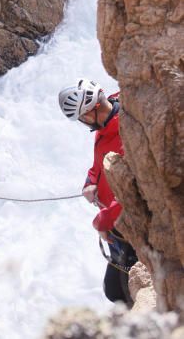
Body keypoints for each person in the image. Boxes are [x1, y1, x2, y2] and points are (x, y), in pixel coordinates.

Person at [58, 78, 137, 306]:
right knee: (113, 289)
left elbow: (137, 190)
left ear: (93, 110)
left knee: (117, 291)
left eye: (82, 118)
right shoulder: (107, 121)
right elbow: (99, 163)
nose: (83, 123)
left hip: (126, 224)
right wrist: (90, 181)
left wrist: (104, 219)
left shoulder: (126, 134)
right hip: (114, 222)